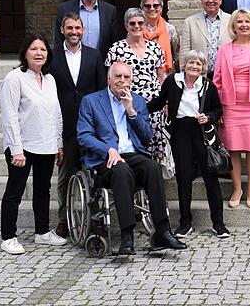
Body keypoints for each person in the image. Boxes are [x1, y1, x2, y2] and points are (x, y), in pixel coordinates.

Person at [78, 62, 187, 254]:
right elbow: (84, 135)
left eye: (126, 77)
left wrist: (131, 111)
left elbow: (146, 137)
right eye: (118, 76)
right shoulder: (91, 101)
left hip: (133, 155)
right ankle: (127, 235)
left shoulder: (137, 101)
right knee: (121, 170)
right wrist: (108, 149)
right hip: (105, 160)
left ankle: (162, 230)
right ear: (109, 79)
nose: (122, 81)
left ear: (132, 79)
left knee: (152, 167)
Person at [148, 51, 229, 239]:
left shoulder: (208, 86)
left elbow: (218, 110)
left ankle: (218, 223)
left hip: (201, 133)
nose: (194, 66)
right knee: (184, 178)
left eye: (199, 64)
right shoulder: (172, 82)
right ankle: (185, 223)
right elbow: (160, 102)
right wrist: (136, 108)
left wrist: (208, 117)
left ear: (203, 68)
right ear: (184, 64)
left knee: (210, 177)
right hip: (180, 132)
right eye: (191, 63)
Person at [0, 34, 67, 255]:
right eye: (33, 49)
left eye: (43, 49)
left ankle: (42, 232)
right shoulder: (14, 78)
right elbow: (9, 115)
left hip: (46, 144)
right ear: (25, 53)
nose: (39, 53)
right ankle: (8, 237)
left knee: (42, 190)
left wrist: (58, 143)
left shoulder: (50, 80)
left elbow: (56, 114)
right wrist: (16, 149)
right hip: (22, 146)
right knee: (15, 191)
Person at [49, 13, 106, 238]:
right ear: (62, 30)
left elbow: (102, 91)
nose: (74, 32)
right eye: (69, 28)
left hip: (90, 126)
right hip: (64, 125)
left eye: (77, 28)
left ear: (83, 30)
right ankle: (64, 220)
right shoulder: (52, 57)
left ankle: (95, 218)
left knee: (94, 173)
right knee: (65, 175)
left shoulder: (94, 55)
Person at [214, 9, 250, 209]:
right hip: (230, 105)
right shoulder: (224, 50)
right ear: (233, 25)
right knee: (234, 148)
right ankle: (237, 188)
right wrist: (218, 109)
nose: (243, 25)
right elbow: (217, 81)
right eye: (239, 22)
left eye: (247, 21)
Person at [105, 8, 167, 165]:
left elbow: (161, 76)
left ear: (145, 24)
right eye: (132, 23)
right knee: (134, 140)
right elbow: (110, 77)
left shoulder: (155, 48)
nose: (136, 26)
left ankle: (153, 179)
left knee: (153, 141)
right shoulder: (116, 49)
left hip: (155, 104)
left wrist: (166, 101)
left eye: (140, 23)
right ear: (126, 26)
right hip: (129, 103)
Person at [54, 0, 120, 60]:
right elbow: (58, 41)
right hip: (72, 63)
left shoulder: (110, 11)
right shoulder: (64, 8)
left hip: (101, 65)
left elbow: (114, 42)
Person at [180, 0, 232, 77]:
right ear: (201, 0)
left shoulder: (231, 20)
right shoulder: (190, 22)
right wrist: (184, 75)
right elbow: (185, 52)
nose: (210, 0)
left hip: (225, 75)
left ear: (220, 0)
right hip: (198, 76)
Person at [141, 0, 179, 74]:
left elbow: (176, 54)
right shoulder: (137, 29)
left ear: (161, 8)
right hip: (142, 74)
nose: (152, 8)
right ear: (142, 9)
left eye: (155, 5)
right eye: (148, 6)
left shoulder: (169, 29)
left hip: (165, 74)